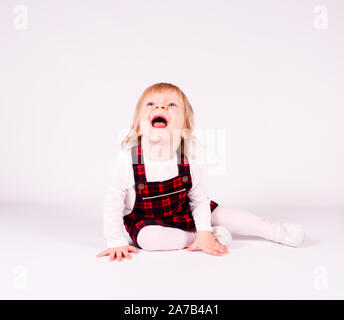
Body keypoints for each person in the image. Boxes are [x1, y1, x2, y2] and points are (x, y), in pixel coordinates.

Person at [97, 82, 305, 262]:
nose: (160, 106)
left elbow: (199, 200)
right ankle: (202, 236)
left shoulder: (187, 165)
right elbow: (113, 204)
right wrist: (115, 240)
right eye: (150, 104)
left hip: (184, 210)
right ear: (139, 126)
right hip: (146, 221)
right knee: (148, 241)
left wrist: (204, 224)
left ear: (185, 127)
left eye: (171, 105)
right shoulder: (126, 163)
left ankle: (277, 232)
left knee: (228, 216)